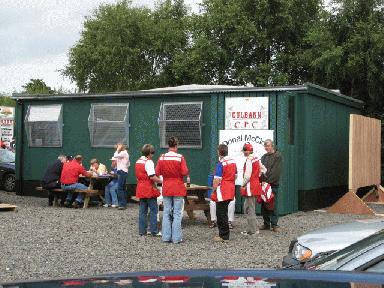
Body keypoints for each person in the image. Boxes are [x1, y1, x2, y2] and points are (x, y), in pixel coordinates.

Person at [155, 136, 189, 244]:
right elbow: (184, 172)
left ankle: (166, 237)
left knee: (166, 212)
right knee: (177, 213)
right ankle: (176, 238)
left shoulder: (162, 157)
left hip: (167, 187)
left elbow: (157, 172)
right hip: (178, 186)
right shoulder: (180, 157)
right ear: (176, 145)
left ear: (168, 145)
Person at [210, 144, 237, 242]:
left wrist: (213, 190)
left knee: (221, 213)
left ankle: (224, 236)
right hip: (231, 188)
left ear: (219, 152)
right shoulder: (233, 162)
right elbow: (236, 175)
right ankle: (224, 235)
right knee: (223, 212)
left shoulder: (221, 163)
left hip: (222, 190)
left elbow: (216, 180)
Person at [135, 144, 163, 236]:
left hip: (140, 187)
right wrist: (161, 181)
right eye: (152, 153)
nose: (152, 155)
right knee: (154, 210)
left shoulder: (138, 161)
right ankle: (153, 230)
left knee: (142, 210)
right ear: (149, 153)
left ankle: (142, 231)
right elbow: (152, 177)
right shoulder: (149, 162)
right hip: (148, 188)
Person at [240, 143, 264, 236]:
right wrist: (257, 176)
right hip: (255, 184)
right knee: (248, 207)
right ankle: (253, 228)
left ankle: (253, 230)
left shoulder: (250, 159)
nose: (244, 152)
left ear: (248, 151)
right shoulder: (256, 158)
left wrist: (243, 185)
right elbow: (263, 169)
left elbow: (247, 176)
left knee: (250, 208)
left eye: (245, 151)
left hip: (250, 186)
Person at [260, 139, 283, 232]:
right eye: (265, 146)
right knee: (264, 204)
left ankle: (274, 225)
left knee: (273, 204)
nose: (267, 148)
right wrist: (262, 181)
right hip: (264, 184)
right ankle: (266, 224)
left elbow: (276, 172)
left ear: (272, 146)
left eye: (268, 146)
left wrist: (267, 181)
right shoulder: (264, 157)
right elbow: (261, 170)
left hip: (272, 184)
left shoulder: (278, 156)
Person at [114, 143, 130, 210]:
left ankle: (121, 204)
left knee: (119, 188)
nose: (116, 149)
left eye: (117, 148)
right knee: (122, 188)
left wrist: (118, 149)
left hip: (122, 171)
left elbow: (115, 156)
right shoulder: (125, 153)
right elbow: (129, 164)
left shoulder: (123, 152)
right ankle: (123, 204)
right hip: (123, 171)